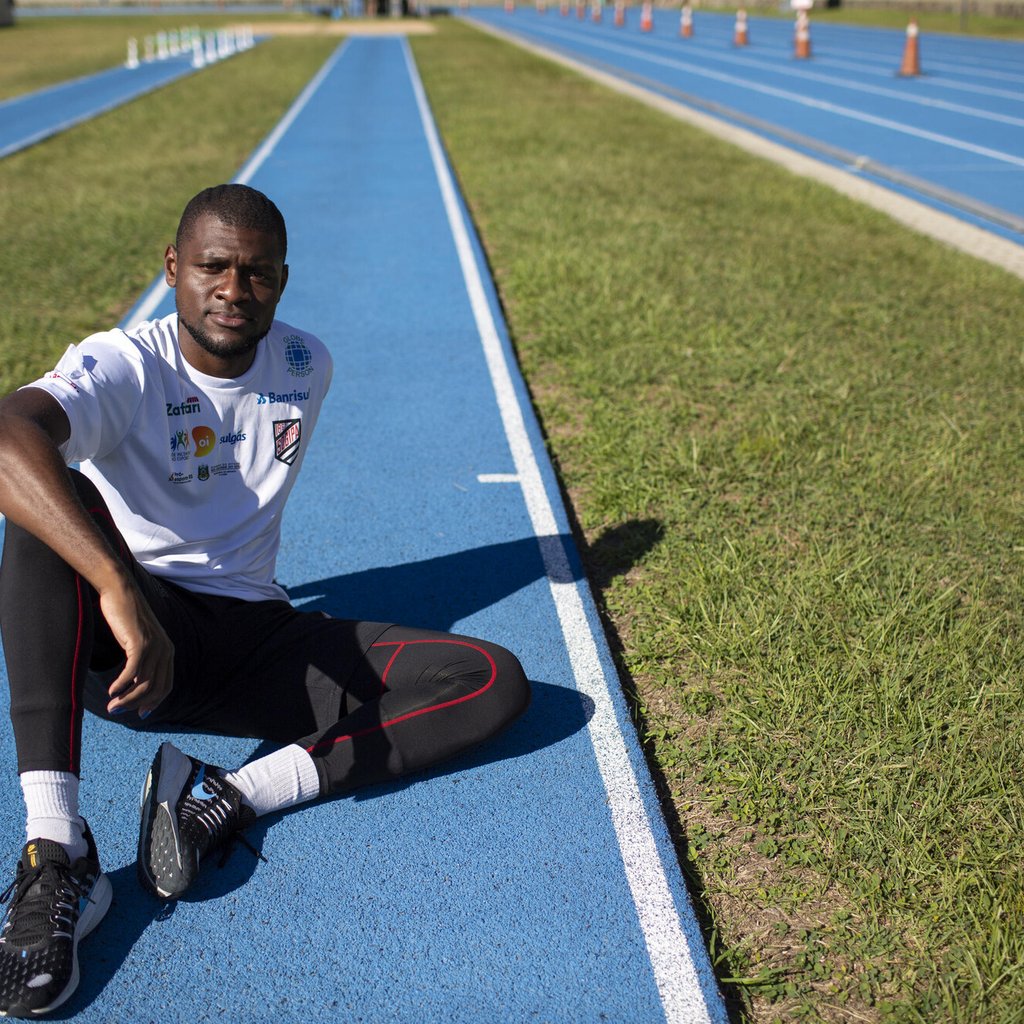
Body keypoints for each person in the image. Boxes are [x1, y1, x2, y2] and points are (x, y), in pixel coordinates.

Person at [0, 184, 530, 1018]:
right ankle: (57, 848)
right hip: (135, 645)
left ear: (283, 281)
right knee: (39, 500)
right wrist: (117, 588)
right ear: (173, 268)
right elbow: (6, 433)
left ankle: (226, 797)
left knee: (489, 678)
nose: (232, 290)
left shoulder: (305, 364)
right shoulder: (128, 364)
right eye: (212, 266)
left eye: (257, 273)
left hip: (254, 636)